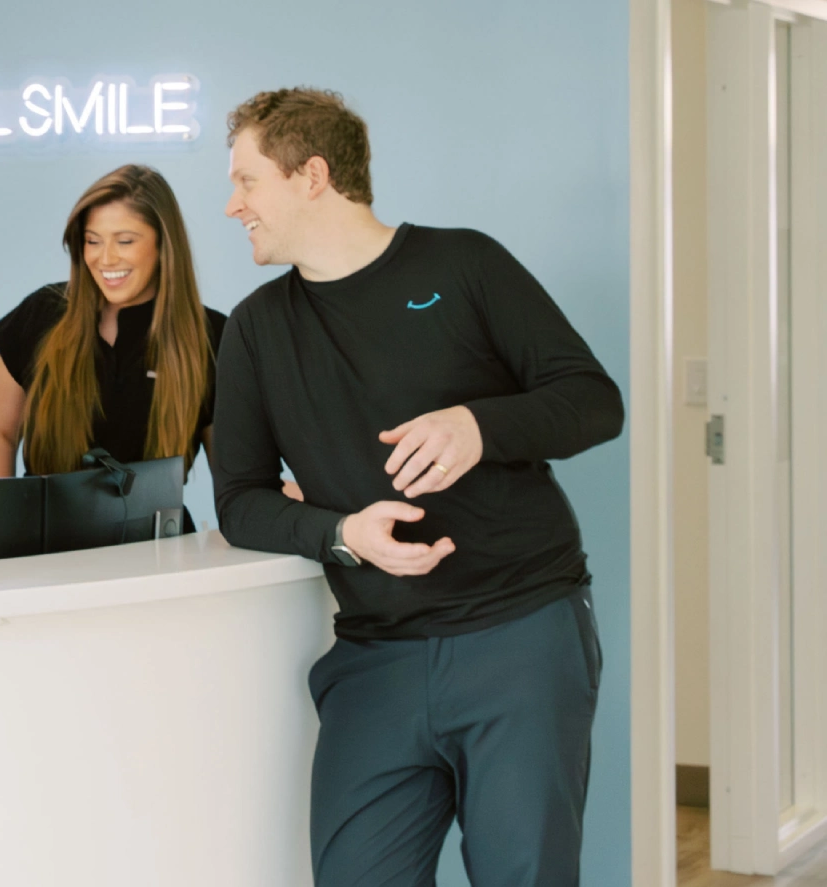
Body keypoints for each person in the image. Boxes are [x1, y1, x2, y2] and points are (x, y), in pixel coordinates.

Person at [210, 88, 624, 885]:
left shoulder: (464, 264)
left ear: (312, 175)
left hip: (521, 635)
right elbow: (241, 499)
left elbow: (592, 401)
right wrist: (340, 533)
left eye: (247, 181)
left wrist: (479, 425)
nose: (233, 206)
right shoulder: (258, 328)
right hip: (376, 656)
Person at [0, 165, 224, 524]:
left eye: (125, 241)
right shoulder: (40, 313)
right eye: (93, 241)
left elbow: (233, 476)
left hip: (157, 553)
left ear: (163, 244)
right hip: (44, 545)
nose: (105, 259)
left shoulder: (212, 336)